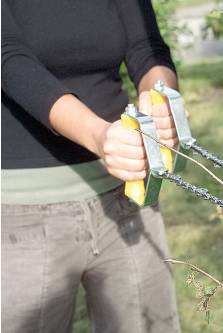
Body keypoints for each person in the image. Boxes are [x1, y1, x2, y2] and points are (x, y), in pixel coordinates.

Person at [1, 0, 181, 332]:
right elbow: (8, 58)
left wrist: (162, 101)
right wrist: (99, 136)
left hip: (126, 194)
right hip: (20, 214)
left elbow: (147, 47)